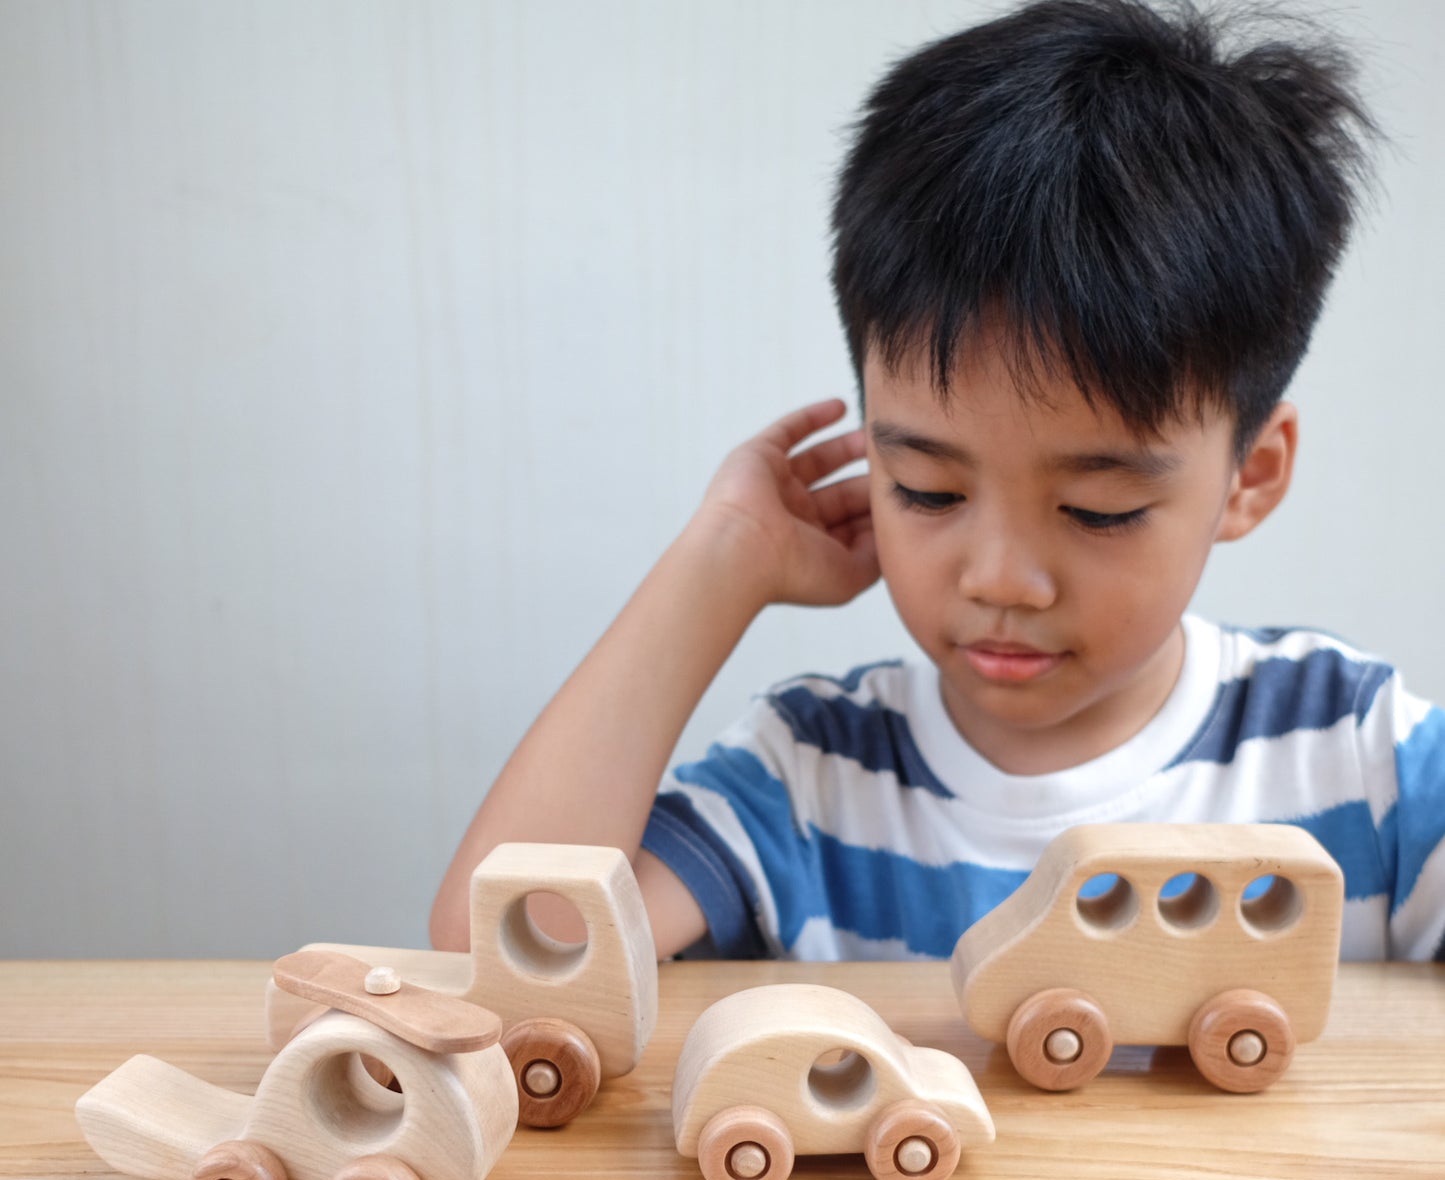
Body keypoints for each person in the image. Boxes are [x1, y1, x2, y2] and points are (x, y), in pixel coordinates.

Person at [431, 0, 1445, 965]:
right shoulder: (815, 776)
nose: (1000, 579)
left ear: (1247, 476)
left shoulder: (1355, 754)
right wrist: (720, 559)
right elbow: (508, 952)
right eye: (923, 487)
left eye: (1098, 509)